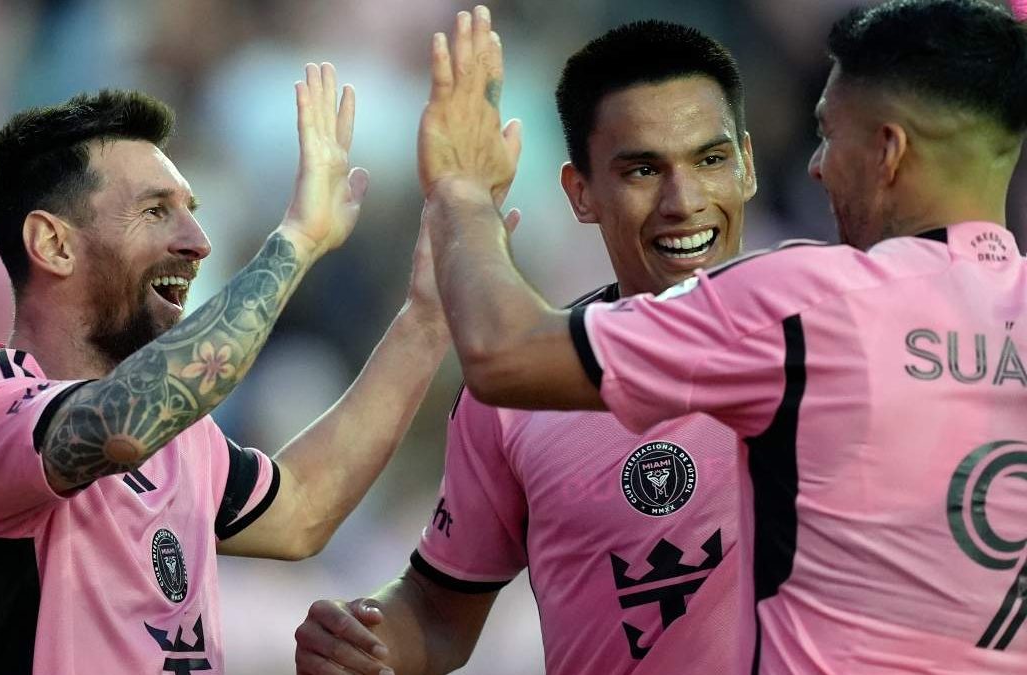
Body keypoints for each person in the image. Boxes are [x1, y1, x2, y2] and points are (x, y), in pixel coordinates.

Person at [417, 1, 1027, 673]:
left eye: (828, 134)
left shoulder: (804, 302)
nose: (818, 165)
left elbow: (503, 353)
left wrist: (460, 189)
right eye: (644, 169)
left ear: (888, 150)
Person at [0, 64, 451, 674]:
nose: (197, 240)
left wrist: (426, 319)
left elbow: (300, 510)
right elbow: (124, 426)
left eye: (190, 209)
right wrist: (297, 239)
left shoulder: (184, 435)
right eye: (156, 211)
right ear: (54, 244)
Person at [294, 18, 756, 675]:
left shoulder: (831, 333)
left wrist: (460, 198)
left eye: (710, 160)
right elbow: (436, 612)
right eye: (643, 169)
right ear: (581, 193)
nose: (684, 200)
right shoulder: (517, 397)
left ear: (748, 166)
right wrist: (362, 641)